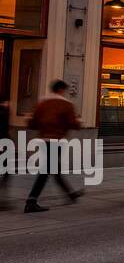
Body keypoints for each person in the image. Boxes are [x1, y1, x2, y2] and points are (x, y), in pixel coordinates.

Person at [24, 80, 83, 214]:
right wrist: (79, 121)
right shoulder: (66, 104)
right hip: (57, 141)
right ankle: (31, 201)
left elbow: (33, 123)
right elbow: (73, 123)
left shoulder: (42, 103)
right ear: (61, 90)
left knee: (53, 168)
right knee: (47, 169)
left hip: (44, 139)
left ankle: (70, 194)